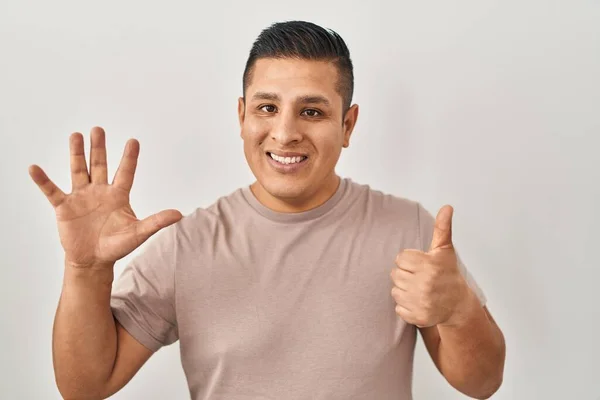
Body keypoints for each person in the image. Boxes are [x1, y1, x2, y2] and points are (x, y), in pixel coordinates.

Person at [29, 20, 505, 400]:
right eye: (267, 108)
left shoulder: (409, 229)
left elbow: (481, 384)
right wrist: (86, 270)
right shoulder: (187, 244)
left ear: (348, 124)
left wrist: (461, 310)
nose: (285, 133)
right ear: (241, 116)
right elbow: (85, 387)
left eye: (312, 111)